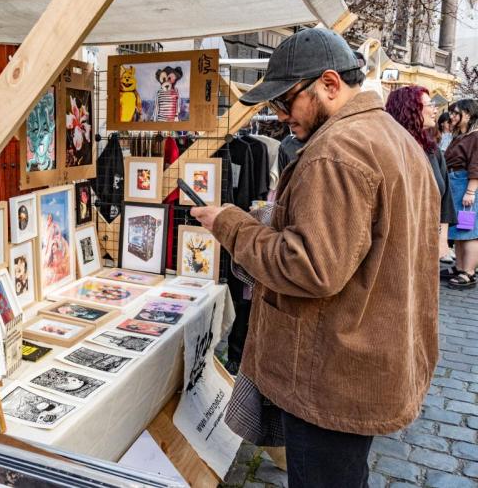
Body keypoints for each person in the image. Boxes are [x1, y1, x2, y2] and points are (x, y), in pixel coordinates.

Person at [191, 28, 439, 487]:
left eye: (286, 101)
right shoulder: (393, 137)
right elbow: (368, 243)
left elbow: (308, 267)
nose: (281, 116)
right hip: (365, 360)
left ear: (329, 84)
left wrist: (230, 223)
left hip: (335, 371)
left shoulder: (337, 149)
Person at [385, 86, 457, 262]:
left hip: (426, 239)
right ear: (411, 108)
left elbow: (445, 196)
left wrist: (442, 240)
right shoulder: (389, 147)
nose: (435, 110)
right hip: (394, 242)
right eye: (430, 104)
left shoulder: (433, 151)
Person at [443, 99, 478, 288]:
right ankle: (459, 267)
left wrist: (471, 191)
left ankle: (469, 272)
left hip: (465, 184)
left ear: (468, 114)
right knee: (458, 229)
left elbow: (476, 165)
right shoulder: (460, 136)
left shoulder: (475, 136)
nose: (453, 116)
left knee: (469, 230)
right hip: (456, 183)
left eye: (457, 113)